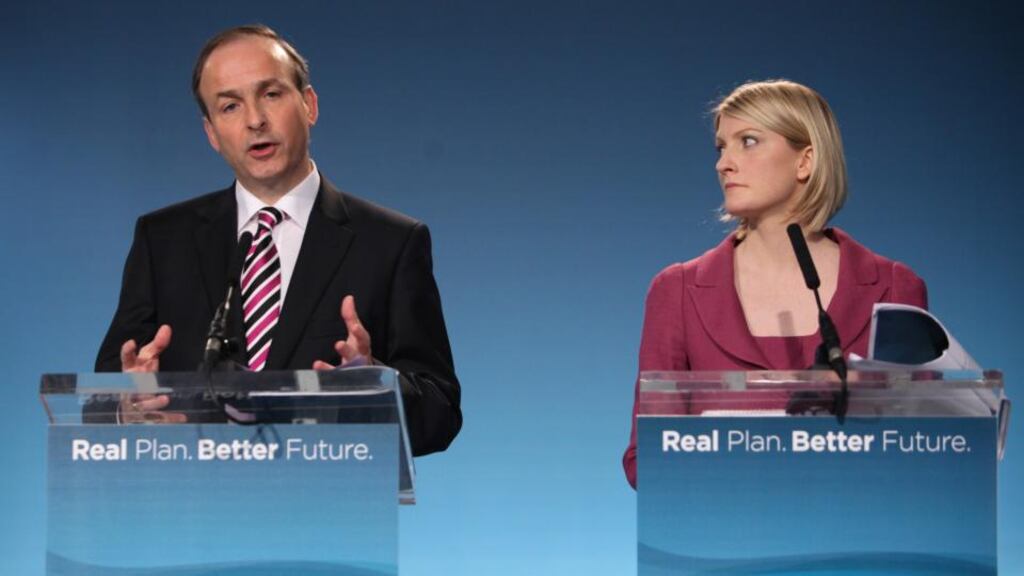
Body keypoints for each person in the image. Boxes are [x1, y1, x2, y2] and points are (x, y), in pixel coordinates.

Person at [94, 25, 461, 457]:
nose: (255, 120)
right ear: (211, 133)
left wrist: (375, 387)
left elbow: (439, 413)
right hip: (191, 511)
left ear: (309, 104)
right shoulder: (163, 241)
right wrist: (124, 407)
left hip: (322, 513)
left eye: (270, 94)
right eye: (230, 106)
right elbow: (102, 395)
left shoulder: (391, 243)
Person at [622, 80, 927, 487]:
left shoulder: (893, 287)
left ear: (805, 161)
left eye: (747, 141)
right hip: (726, 539)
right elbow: (646, 459)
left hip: (853, 541)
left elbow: (926, 447)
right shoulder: (675, 292)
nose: (723, 164)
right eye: (721, 147)